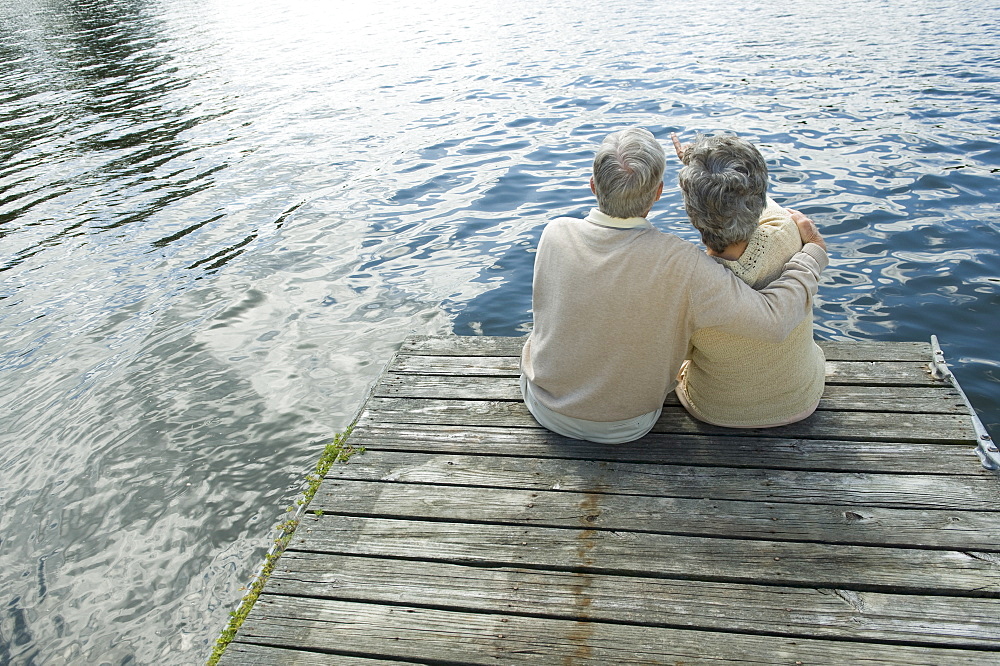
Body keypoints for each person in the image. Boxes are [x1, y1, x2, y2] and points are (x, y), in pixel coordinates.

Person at [519, 127, 827, 444]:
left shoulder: (554, 233)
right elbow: (774, 321)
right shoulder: (681, 262)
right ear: (657, 193)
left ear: (593, 185)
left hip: (542, 404)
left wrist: (701, 171)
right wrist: (814, 251)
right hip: (626, 426)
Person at [672, 133, 825, 427]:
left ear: (692, 212)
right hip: (802, 398)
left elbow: (679, 351)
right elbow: (755, 198)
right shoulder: (790, 231)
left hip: (718, 411)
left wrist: (697, 175)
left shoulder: (687, 283)